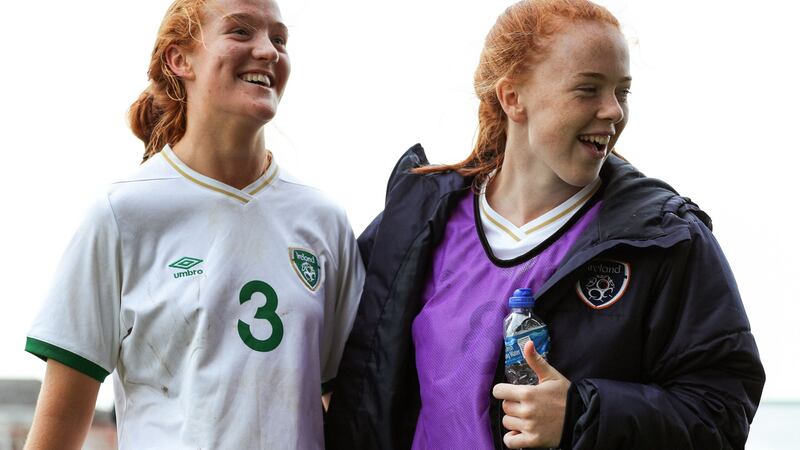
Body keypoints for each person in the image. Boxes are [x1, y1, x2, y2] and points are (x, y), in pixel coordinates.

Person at [325, 0, 764, 449]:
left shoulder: (667, 240)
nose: (613, 111)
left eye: (622, 92)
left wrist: (580, 415)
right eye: (588, 89)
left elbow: (722, 414)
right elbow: (332, 373)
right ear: (513, 97)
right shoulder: (415, 221)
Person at [23, 0, 364, 448]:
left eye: (279, 39)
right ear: (180, 59)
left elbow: (347, 411)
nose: (268, 51)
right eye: (241, 32)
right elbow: (57, 434)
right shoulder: (120, 214)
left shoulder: (325, 221)